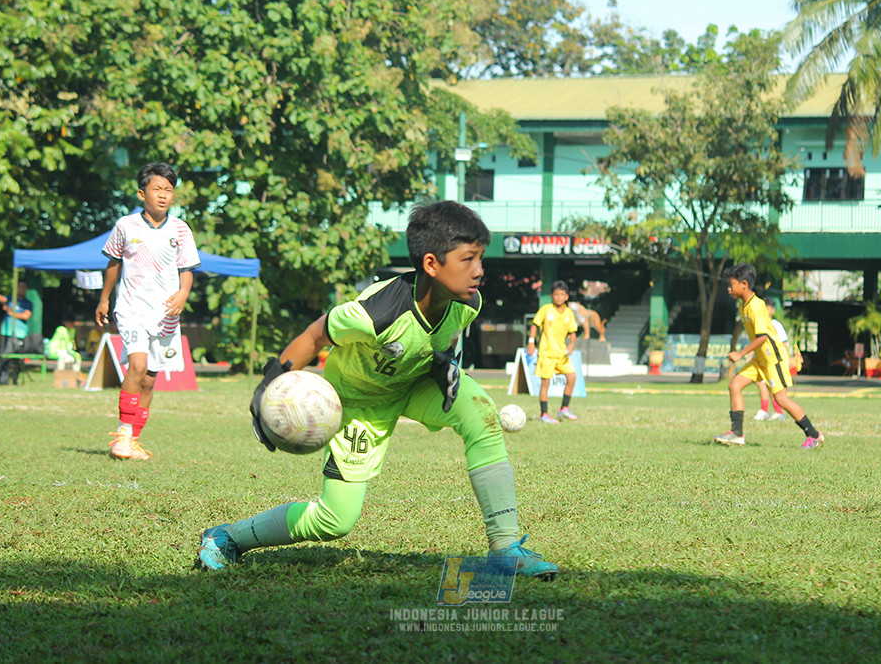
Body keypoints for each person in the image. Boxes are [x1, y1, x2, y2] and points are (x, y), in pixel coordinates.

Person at [195, 200, 558, 580]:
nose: (479, 271)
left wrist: (445, 364)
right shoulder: (375, 314)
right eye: (468, 259)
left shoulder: (469, 303)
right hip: (357, 403)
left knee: (481, 414)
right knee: (334, 520)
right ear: (432, 264)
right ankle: (228, 537)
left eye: (481, 258)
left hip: (416, 382)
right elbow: (315, 334)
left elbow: (443, 340)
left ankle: (505, 550)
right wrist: (268, 386)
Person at [95, 163, 199, 461]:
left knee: (151, 379)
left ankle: (134, 440)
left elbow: (187, 268)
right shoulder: (125, 226)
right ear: (142, 193)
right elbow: (113, 264)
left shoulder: (180, 229)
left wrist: (183, 294)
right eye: (157, 189)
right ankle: (122, 435)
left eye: (168, 190)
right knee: (137, 367)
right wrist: (104, 300)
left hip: (165, 314)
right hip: (131, 309)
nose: (163, 195)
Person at [715, 263, 824, 449]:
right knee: (735, 385)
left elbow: (763, 337)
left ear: (744, 284)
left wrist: (741, 353)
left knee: (780, 399)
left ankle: (814, 435)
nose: (728, 288)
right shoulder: (744, 306)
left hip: (773, 358)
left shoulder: (756, 306)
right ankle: (737, 434)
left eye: (731, 284)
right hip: (760, 358)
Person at [527, 280, 579, 424]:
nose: (559, 297)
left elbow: (573, 331)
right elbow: (535, 325)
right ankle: (544, 414)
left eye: (562, 294)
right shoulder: (546, 309)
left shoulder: (569, 313)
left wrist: (572, 344)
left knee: (572, 378)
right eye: (556, 294)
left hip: (561, 354)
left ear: (567, 297)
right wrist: (531, 343)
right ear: (551, 296)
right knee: (545, 383)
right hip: (546, 353)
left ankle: (564, 409)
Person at [753, 301, 798, 422]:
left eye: (767, 309)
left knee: (774, 387)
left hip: (774, 361)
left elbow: (783, 344)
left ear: (772, 310)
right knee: (761, 384)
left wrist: (787, 360)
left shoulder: (776, 325)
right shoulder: (760, 324)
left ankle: (779, 412)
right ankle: (764, 410)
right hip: (762, 360)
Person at [0, 281, 33, 385]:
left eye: (24, 287)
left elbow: (26, 316)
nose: (22, 289)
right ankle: (0, 379)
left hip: (20, 334)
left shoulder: (28, 303)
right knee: (3, 356)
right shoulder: (11, 299)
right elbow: (3, 299)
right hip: (7, 332)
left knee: (17, 359)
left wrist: (12, 313)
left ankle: (15, 379)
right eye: (20, 287)